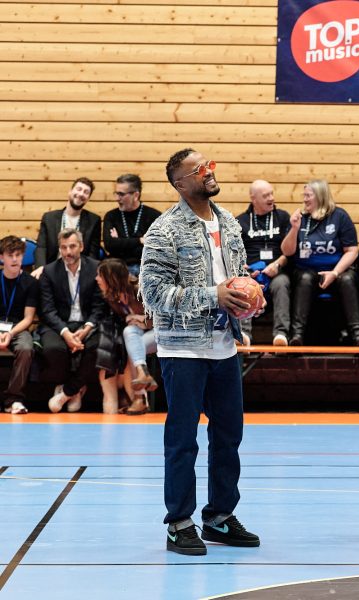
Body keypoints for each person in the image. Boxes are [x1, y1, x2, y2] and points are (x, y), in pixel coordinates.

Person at [140, 148, 259, 556]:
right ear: (180, 183)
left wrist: (248, 297)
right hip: (183, 351)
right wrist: (215, 294)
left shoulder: (228, 222)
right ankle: (179, 522)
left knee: (228, 436)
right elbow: (153, 294)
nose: (209, 172)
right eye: (199, 169)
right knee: (182, 440)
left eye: (210, 164)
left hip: (225, 347)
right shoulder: (164, 230)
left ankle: (220, 517)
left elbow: (238, 278)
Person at [280, 179, 359, 346]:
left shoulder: (339, 216)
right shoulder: (301, 218)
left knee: (348, 279)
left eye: (308, 195)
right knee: (305, 279)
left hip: (337, 270)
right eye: (303, 195)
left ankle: (357, 335)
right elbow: (287, 251)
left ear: (320, 196)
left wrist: (334, 273)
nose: (304, 199)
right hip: (307, 270)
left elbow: (352, 251)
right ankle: (297, 335)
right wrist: (294, 228)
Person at [38, 229, 105, 413]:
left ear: (81, 247)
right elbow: (47, 310)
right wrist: (66, 333)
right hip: (59, 324)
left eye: (73, 246)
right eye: (64, 247)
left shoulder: (96, 268)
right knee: (54, 348)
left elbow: (100, 306)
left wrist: (87, 327)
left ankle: (68, 391)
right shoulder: (49, 272)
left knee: (98, 346)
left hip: (87, 323)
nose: (68, 252)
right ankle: (74, 388)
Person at [95, 258, 155, 415]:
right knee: (129, 334)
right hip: (139, 333)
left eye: (100, 275)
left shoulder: (139, 289)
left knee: (136, 344)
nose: (96, 279)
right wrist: (131, 320)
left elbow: (165, 316)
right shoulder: (110, 296)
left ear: (111, 278)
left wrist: (144, 321)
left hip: (161, 331)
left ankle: (140, 398)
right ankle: (142, 378)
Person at [235, 179, 292, 345]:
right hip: (250, 273)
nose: (271, 198)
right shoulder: (241, 221)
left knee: (282, 283)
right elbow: (234, 252)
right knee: (242, 284)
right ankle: (243, 334)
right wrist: (243, 267)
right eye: (266, 195)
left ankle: (281, 335)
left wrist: (277, 264)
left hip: (276, 272)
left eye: (272, 193)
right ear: (254, 199)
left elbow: (289, 252)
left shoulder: (282, 217)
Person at [0, 236, 39, 414]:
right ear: (2, 258)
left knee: (25, 347)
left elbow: (28, 318)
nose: (15, 259)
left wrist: (9, 333)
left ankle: (13, 399)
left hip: (18, 327)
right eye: (10, 255)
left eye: (18, 255)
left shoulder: (30, 283)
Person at [32, 177, 101, 277]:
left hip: (79, 272)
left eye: (86, 192)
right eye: (79, 189)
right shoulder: (49, 218)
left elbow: (93, 253)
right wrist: (41, 267)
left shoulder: (94, 221)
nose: (81, 194)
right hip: (52, 271)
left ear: (88, 199)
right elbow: (41, 247)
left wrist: (87, 274)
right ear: (70, 192)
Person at [102, 174, 162, 276]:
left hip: (145, 270)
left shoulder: (154, 216)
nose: (117, 198)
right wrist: (140, 240)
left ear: (136, 195)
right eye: (116, 193)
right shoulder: (111, 216)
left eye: (121, 194)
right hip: (118, 269)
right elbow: (109, 245)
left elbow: (155, 249)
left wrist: (120, 242)